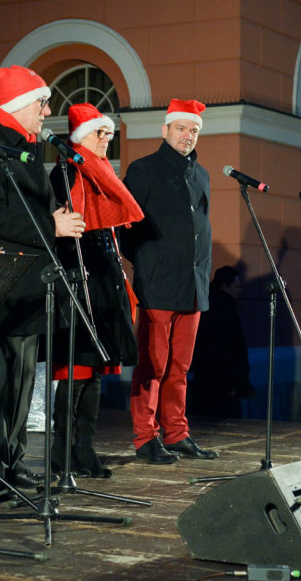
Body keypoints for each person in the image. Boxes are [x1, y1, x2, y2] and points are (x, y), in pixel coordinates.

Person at [0, 65, 85, 495]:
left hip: (34, 282)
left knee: (23, 381)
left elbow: (44, 207)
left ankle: (11, 463)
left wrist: (63, 228)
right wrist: (50, 225)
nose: (47, 110)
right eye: (42, 103)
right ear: (18, 105)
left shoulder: (32, 148)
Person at [121, 99, 218, 464]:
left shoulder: (201, 174)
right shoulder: (144, 169)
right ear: (165, 130)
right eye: (181, 129)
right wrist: (149, 264)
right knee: (153, 366)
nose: (187, 136)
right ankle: (146, 437)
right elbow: (128, 228)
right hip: (157, 284)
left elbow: (200, 227)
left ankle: (176, 433)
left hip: (192, 285)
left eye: (193, 131)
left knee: (179, 367)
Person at [48, 103, 143, 478]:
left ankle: (84, 449)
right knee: (76, 369)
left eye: (108, 133)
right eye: (98, 133)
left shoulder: (103, 173)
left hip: (103, 280)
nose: (106, 139)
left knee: (97, 370)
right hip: (77, 278)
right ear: (76, 138)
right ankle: (61, 452)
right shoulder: (64, 173)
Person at [188, 266, 255, 419]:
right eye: (236, 286)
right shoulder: (223, 310)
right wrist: (231, 383)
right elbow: (226, 348)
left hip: (209, 380)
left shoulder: (213, 305)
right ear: (224, 286)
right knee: (222, 420)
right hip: (220, 383)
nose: (239, 291)